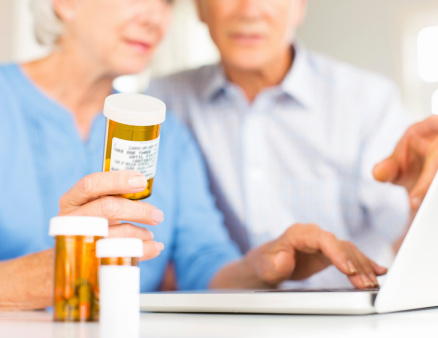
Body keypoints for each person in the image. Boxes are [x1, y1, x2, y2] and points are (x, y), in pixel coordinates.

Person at [0, 0, 385, 311]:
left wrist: (265, 265)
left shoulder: (165, 132)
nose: (154, 17)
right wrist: (37, 278)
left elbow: (202, 261)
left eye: (167, 1)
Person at [149, 0, 438, 288]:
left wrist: (423, 197)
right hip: (221, 318)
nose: (249, 10)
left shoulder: (367, 102)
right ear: (199, 8)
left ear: (300, 6)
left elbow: (416, 253)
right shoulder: (165, 101)